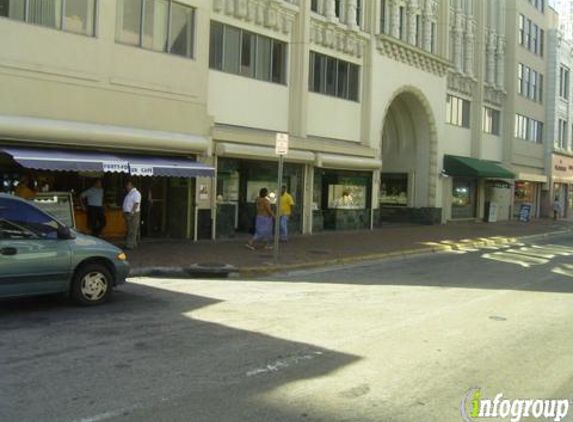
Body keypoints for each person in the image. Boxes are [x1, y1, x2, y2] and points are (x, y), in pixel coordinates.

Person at [123, 180, 141, 250]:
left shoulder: (136, 193)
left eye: (128, 185)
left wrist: (132, 212)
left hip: (133, 213)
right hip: (128, 213)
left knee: (132, 230)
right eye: (127, 185)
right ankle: (133, 244)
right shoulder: (130, 193)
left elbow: (136, 203)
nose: (127, 186)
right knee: (130, 229)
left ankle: (130, 245)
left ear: (132, 185)